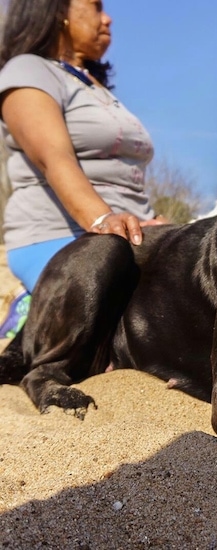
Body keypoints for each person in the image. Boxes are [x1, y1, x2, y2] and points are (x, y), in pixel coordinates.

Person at [0, 0, 166, 337]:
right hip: (61, 236)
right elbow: (53, 158)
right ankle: (36, 307)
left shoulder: (94, 87)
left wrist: (156, 227)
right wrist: (103, 220)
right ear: (56, 11)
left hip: (128, 235)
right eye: (94, 6)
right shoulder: (28, 70)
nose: (107, 19)